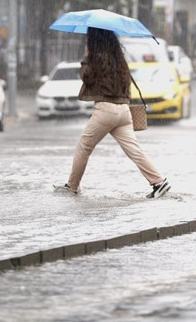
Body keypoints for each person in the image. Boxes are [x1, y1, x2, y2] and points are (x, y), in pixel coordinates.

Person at [55, 27, 170, 199]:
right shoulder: (119, 59)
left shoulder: (96, 59)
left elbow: (86, 77)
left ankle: (72, 186)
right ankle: (159, 182)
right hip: (123, 111)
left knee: (84, 146)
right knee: (134, 150)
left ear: (94, 40)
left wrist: (87, 56)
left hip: (106, 110)